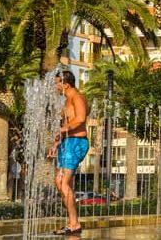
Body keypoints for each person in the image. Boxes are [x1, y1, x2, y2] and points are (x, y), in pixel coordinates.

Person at [46, 70, 89, 236]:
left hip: (76, 142)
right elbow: (66, 125)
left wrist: (63, 130)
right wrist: (56, 144)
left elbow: (80, 118)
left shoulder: (77, 97)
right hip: (67, 142)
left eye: (57, 83)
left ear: (66, 84)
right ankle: (73, 222)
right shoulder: (66, 101)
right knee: (60, 182)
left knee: (63, 183)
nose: (55, 86)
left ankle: (74, 224)